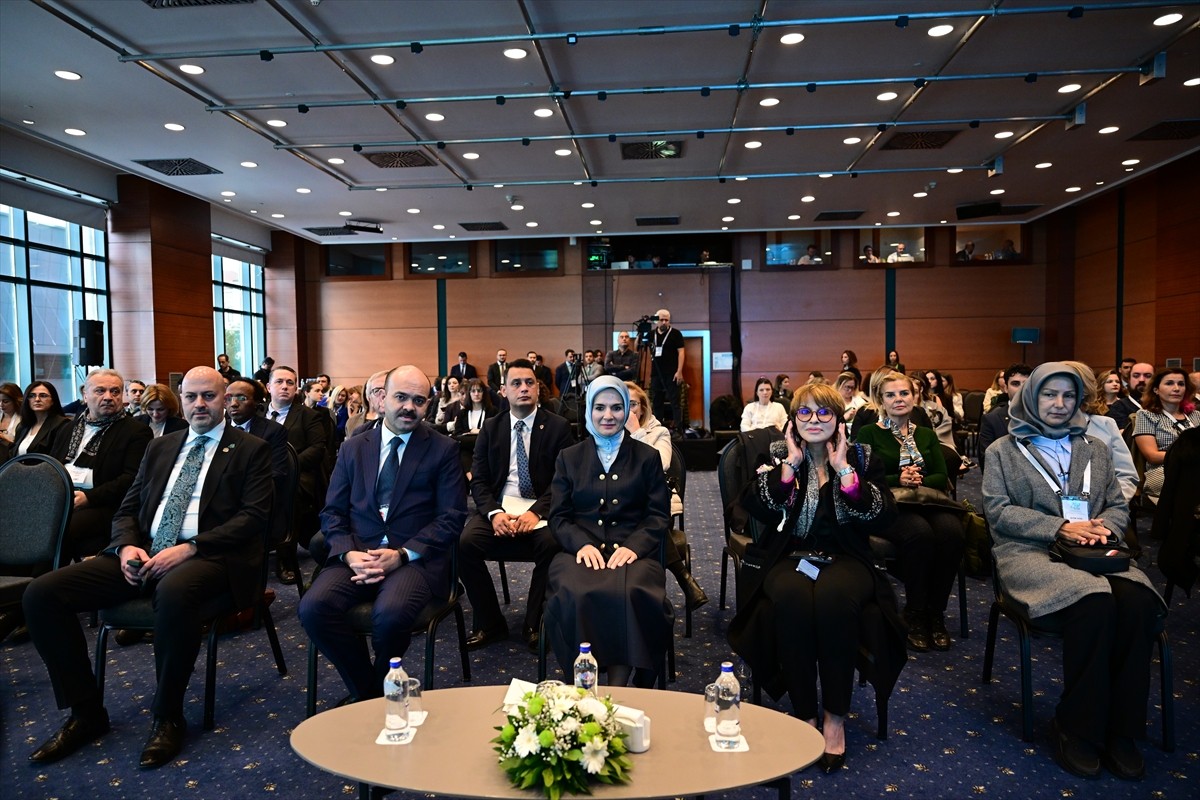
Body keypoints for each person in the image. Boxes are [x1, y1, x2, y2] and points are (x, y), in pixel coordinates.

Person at [23, 366, 273, 769]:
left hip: (211, 558)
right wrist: (124, 547)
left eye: (209, 396)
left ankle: (167, 715)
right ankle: (86, 712)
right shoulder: (160, 447)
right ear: (182, 400)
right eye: (191, 397)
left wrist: (190, 547)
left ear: (225, 399)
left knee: (173, 592)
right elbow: (127, 508)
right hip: (143, 553)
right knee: (42, 594)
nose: (199, 405)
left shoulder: (250, 449)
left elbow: (253, 518)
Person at [982, 362, 1164, 780]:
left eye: (1069, 396)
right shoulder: (1003, 451)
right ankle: (1076, 725)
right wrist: (1061, 527)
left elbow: (1119, 505)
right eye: (1050, 395)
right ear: (1032, 397)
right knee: (1095, 602)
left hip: (1095, 551)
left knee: (1136, 603)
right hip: (1029, 552)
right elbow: (998, 511)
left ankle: (1122, 729)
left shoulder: (1094, 448)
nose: (1060, 404)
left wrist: (1103, 529)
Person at [728, 382, 903, 775]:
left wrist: (843, 470)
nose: (814, 421)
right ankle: (805, 713)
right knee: (791, 599)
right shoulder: (777, 455)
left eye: (824, 412)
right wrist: (790, 465)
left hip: (847, 559)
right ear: (793, 420)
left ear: (838, 420)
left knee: (832, 600)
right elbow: (754, 508)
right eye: (804, 412)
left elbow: (886, 517)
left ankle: (835, 717)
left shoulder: (861, 455)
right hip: (789, 557)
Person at [299, 365, 467, 703]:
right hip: (358, 554)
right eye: (401, 397)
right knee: (313, 609)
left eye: (418, 401)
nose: (409, 407)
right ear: (382, 398)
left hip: (414, 560)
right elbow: (332, 512)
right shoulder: (353, 449)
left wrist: (403, 555)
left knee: (389, 616)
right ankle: (372, 692)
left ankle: (373, 694)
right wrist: (348, 553)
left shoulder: (443, 449)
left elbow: (451, 518)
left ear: (428, 404)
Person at [543, 377, 672, 688]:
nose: (608, 415)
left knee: (631, 592)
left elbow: (658, 515)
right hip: (580, 552)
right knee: (575, 593)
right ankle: (583, 682)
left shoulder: (647, 456)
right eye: (599, 407)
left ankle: (619, 686)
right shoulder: (569, 457)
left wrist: (635, 546)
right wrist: (580, 545)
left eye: (617, 408)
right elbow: (558, 517)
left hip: (633, 552)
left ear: (628, 410)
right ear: (588, 410)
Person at [458, 359, 574, 651]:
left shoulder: (558, 427)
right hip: (502, 509)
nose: (524, 388)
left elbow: (564, 481)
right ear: (503, 391)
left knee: (552, 543)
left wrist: (536, 513)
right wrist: (494, 513)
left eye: (529, 383)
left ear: (538, 388)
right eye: (516, 383)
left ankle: (534, 624)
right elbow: (479, 480)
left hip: (541, 512)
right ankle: (490, 623)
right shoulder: (491, 428)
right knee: (464, 544)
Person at [854, 371, 964, 652]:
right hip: (887, 504)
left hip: (926, 500)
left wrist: (919, 480)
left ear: (915, 398)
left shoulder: (926, 434)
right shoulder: (868, 433)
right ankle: (914, 614)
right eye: (890, 395)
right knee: (920, 534)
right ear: (881, 400)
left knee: (952, 532)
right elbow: (862, 478)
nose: (898, 399)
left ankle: (935, 614)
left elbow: (942, 476)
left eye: (904, 393)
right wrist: (897, 479)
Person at [51, 369, 153, 561]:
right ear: (85, 394)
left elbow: (131, 479)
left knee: (59, 526)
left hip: (104, 504)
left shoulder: (136, 431)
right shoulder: (67, 429)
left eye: (115, 392)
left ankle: (43, 581)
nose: (108, 397)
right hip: (62, 498)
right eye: (100, 391)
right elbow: (52, 467)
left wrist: (88, 497)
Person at [625, 381, 707, 610]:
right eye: (624, 404)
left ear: (642, 408)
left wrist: (637, 433)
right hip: (621, 508)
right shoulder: (608, 433)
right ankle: (684, 578)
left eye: (633, 404)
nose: (629, 410)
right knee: (647, 522)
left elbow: (660, 463)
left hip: (656, 507)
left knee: (651, 520)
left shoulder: (658, 432)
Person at [266, 365, 330, 581]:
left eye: (290, 383)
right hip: (259, 475)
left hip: (295, 476)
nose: (284, 386)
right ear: (268, 387)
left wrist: (287, 467)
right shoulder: (256, 414)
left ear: (296, 389)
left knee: (284, 496)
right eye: (279, 382)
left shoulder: (308, 416)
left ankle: (285, 558)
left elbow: (317, 449)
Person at [1061, 362, 1139, 503]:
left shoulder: (1105, 425)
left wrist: (1109, 507)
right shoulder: (1032, 429)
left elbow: (1126, 475)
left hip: (1102, 510)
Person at [1133, 367, 1200, 505]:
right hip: (1164, 471)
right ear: (1156, 389)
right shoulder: (1146, 415)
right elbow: (1152, 455)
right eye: (1169, 383)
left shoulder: (1196, 416)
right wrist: (1190, 456)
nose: (1176, 388)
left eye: (1181, 384)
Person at [978, 364, 1031, 472]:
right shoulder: (992, 419)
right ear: (1006, 388)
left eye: (1026, 384)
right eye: (1015, 384)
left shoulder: (1045, 417)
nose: (1021, 388)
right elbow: (987, 462)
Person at [10, 380, 72, 458]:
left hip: (45, 469)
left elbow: (57, 458)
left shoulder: (62, 425)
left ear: (53, 400)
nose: (37, 399)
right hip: (17, 469)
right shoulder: (22, 426)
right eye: (32, 396)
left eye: (43, 396)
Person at [649, 309, 685, 429]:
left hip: (672, 373)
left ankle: (679, 428)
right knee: (657, 401)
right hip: (656, 373)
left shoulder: (675, 334)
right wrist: (640, 333)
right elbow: (639, 347)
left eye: (666, 320)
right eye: (661, 320)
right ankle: (657, 427)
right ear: (656, 321)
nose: (664, 322)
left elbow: (681, 352)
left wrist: (679, 371)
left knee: (675, 401)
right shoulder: (651, 334)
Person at [1106, 361, 1153, 431]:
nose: (1141, 380)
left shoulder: (1163, 405)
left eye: (1148, 376)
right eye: (1136, 376)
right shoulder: (1119, 406)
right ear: (1129, 380)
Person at [346, 370, 387, 438]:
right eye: (377, 391)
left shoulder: (396, 422)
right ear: (368, 396)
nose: (383, 395)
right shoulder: (352, 421)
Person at [0, 382, 21, 446]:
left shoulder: (24, 419)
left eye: (5, 401)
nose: (1, 405)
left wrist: (3, 437)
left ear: (16, 401)